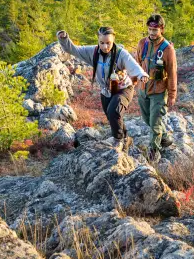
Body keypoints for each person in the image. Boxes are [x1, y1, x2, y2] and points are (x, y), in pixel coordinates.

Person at [57, 27, 148, 147]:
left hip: (123, 89)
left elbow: (133, 65)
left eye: (108, 43)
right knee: (112, 116)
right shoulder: (93, 52)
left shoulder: (121, 54)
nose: (105, 47)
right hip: (106, 91)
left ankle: (118, 141)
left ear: (113, 40)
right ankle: (126, 138)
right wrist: (63, 38)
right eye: (102, 43)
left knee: (114, 111)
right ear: (98, 41)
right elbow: (73, 50)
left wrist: (141, 74)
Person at [136, 14, 177, 162]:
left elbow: (172, 73)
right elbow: (137, 65)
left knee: (154, 123)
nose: (152, 32)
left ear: (162, 29)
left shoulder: (167, 49)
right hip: (143, 89)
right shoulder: (142, 44)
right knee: (147, 119)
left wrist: (172, 95)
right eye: (150, 29)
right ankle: (164, 138)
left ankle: (153, 152)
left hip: (159, 91)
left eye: (155, 29)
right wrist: (132, 84)